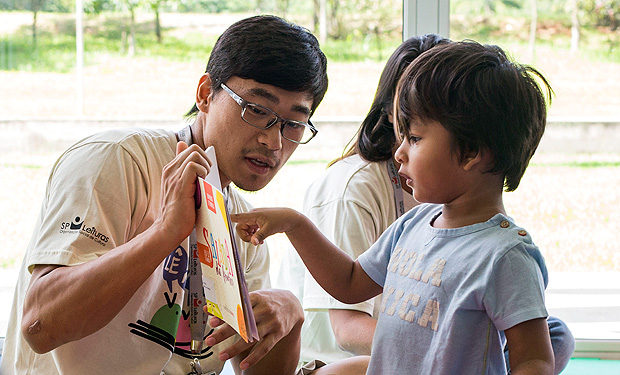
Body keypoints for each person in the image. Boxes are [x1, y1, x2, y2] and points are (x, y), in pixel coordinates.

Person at [0, 15, 328, 375]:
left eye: (294, 123)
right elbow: (40, 326)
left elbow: (253, 365)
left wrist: (291, 315)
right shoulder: (118, 161)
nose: (274, 141)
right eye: (257, 110)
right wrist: (165, 233)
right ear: (205, 94)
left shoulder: (243, 223)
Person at [232, 40, 556, 374]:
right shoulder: (413, 224)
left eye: (414, 139)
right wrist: (295, 224)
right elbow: (349, 282)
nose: (399, 152)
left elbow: (534, 358)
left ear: (472, 151)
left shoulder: (506, 255)